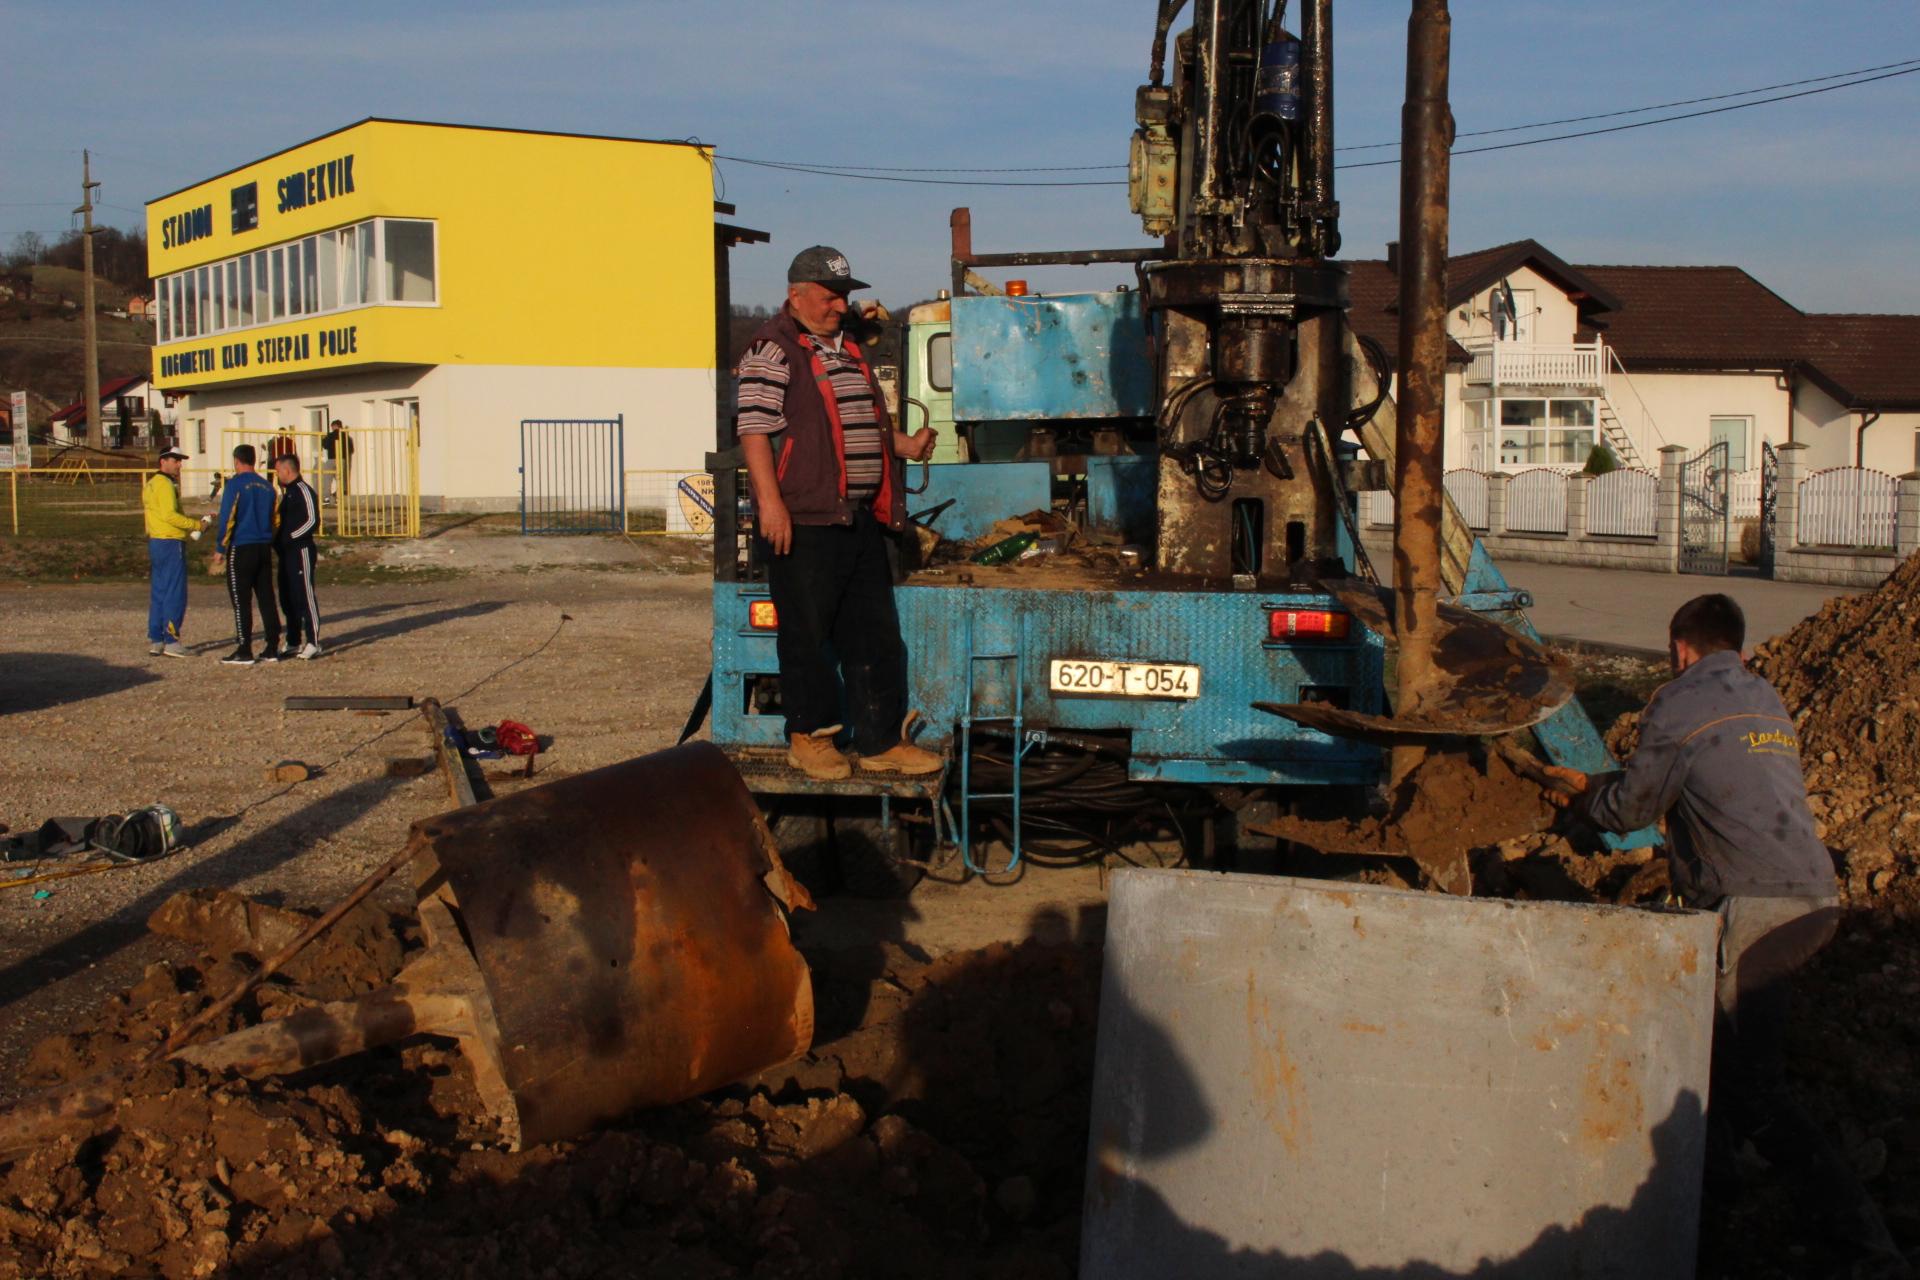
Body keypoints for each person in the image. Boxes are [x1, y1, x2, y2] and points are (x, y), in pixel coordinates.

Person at [1545, 593, 1905, 1269]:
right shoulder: (1763, 697)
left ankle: (1866, 1249)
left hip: (1757, 907)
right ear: (1736, 647)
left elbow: (1634, 808)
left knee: (1753, 1086)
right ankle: (1711, 1208)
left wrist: (1582, 798)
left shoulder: (1678, 701)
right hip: (1811, 896)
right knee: (1710, 1050)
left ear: (1679, 648)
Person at [736, 245, 940, 782]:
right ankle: (809, 738)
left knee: (873, 634)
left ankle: (879, 741)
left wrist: (905, 445)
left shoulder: (847, 348)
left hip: (857, 519)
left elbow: (858, 426)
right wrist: (771, 505)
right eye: (829, 296)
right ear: (795, 294)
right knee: (806, 635)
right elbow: (753, 431)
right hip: (803, 521)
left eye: (843, 296)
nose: (838, 306)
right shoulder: (772, 350)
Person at [209, 444, 281, 666]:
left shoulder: (235, 484)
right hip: (263, 547)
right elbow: (276, 519)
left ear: (237, 461)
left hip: (242, 546)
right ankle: (272, 647)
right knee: (266, 598)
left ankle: (244, 648)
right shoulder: (268, 487)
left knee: (241, 600)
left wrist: (220, 548)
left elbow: (227, 517)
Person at [142, 446, 207, 658]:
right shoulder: (166, 485)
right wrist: (195, 525)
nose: (179, 464)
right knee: (175, 592)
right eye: (176, 460)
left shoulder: (151, 483)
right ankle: (171, 640)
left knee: (159, 591)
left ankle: (157, 639)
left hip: (156, 541)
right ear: (163, 461)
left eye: (180, 460)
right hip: (171, 542)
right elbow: (170, 515)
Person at [271, 453, 324, 660]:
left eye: (277, 471)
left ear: (287, 470)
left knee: (304, 595)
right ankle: (293, 640)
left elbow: (312, 521)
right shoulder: (287, 494)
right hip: (285, 554)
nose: (276, 475)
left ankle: (313, 641)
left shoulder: (304, 491)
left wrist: (291, 537)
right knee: (287, 597)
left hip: (301, 551)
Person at [319, 419, 352, 508]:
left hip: (331, 459)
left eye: (332, 426)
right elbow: (350, 449)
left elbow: (324, 445)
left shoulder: (331, 435)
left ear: (335, 426)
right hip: (342, 459)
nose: (332, 428)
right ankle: (338, 499)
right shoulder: (346, 436)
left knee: (327, 479)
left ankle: (326, 499)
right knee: (340, 479)